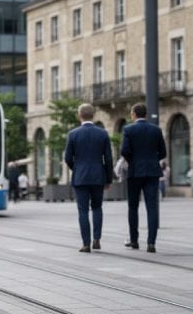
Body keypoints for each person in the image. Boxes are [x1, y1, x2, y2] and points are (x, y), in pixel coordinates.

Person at [64, 103, 113, 252]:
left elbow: (67, 158)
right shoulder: (103, 133)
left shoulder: (73, 134)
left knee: (83, 211)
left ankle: (86, 244)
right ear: (94, 115)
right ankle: (96, 239)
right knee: (97, 207)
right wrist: (108, 178)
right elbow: (109, 159)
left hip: (80, 178)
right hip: (98, 177)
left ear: (80, 116)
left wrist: (77, 169)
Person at [121, 102, 166, 253]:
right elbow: (163, 153)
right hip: (152, 171)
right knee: (152, 207)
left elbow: (124, 151)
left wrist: (133, 161)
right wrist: (153, 160)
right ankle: (151, 243)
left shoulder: (128, 129)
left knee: (133, 207)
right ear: (145, 114)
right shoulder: (156, 130)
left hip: (135, 172)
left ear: (134, 114)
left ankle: (134, 240)